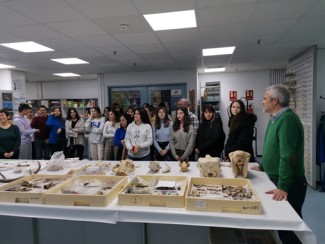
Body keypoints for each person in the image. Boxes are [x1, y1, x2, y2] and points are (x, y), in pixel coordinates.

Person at [251, 85, 307, 244]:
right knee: (280, 227)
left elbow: (287, 155)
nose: (262, 102)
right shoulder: (275, 117)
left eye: (264, 99)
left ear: (275, 100)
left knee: (288, 230)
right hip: (276, 177)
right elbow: (273, 147)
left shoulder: (287, 119)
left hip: (290, 183)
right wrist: (263, 167)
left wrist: (282, 186)